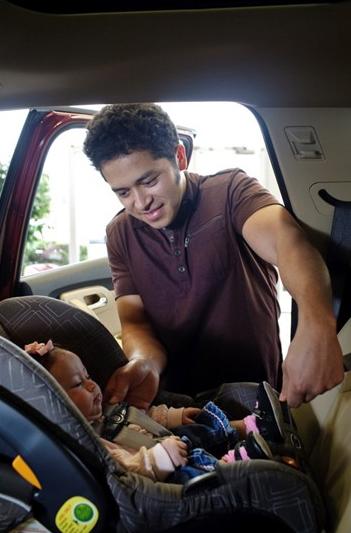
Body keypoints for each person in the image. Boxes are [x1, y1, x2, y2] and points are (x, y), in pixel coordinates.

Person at [83, 103, 344, 409]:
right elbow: (135, 322)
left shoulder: (230, 192)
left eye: (149, 181)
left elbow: (289, 244)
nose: (141, 203)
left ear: (179, 157)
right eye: (123, 192)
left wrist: (316, 327)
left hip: (255, 395)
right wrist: (144, 363)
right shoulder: (120, 233)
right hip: (177, 404)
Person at [24, 340, 301, 484]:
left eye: (87, 374)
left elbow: (139, 416)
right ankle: (237, 463)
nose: (91, 384)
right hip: (169, 473)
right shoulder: (92, 445)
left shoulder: (104, 411)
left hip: (171, 440)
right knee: (194, 475)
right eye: (77, 383)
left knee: (200, 423)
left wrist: (173, 417)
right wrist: (159, 458)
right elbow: (127, 472)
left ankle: (257, 427)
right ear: (52, 406)